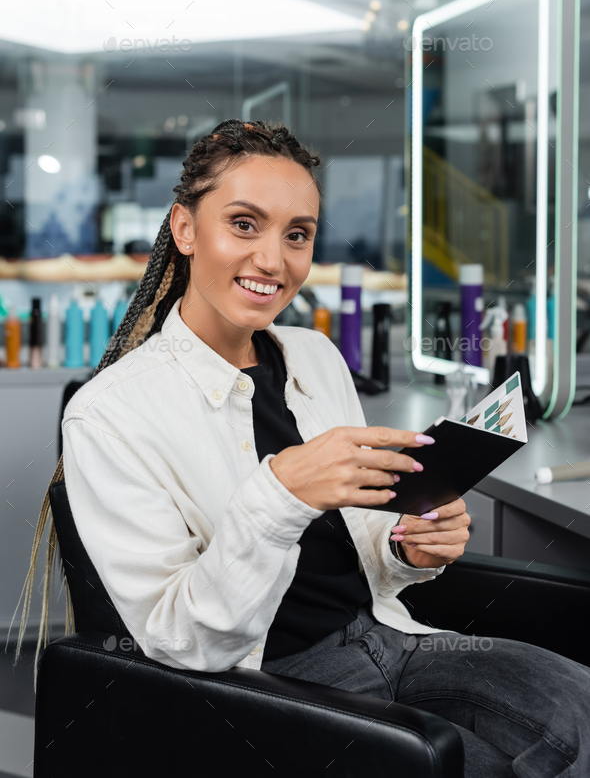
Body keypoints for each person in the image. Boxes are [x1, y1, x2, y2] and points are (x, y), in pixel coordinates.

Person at [14, 120, 590, 778]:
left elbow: (369, 543)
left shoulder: (316, 356)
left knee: (581, 714)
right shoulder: (108, 414)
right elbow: (184, 643)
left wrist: (407, 545)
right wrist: (278, 496)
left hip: (386, 635)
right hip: (265, 683)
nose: (273, 261)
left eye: (297, 235)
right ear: (184, 229)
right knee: (477, 766)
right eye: (243, 224)